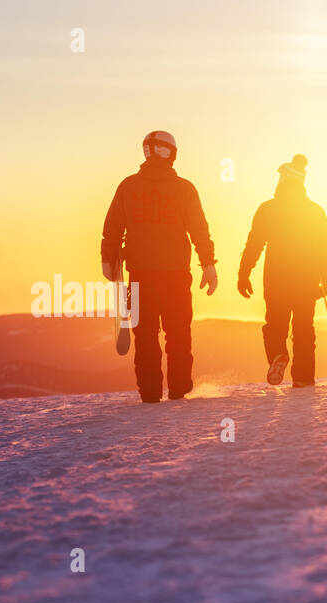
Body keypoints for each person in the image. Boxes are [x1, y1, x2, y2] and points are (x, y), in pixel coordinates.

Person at [101, 130, 217, 402]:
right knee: (178, 333)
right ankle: (178, 388)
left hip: (141, 274)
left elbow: (112, 230)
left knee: (145, 337)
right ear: (171, 153)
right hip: (176, 275)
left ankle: (150, 393)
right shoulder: (184, 188)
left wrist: (108, 260)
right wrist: (208, 264)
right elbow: (199, 230)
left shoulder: (128, 186)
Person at [238, 155, 327, 388]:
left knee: (275, 325)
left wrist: (244, 274)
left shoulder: (268, 209)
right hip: (307, 280)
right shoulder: (315, 211)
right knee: (304, 330)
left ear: (284, 180)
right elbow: (324, 248)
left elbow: (254, 244)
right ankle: (303, 378)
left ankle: (278, 355)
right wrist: (326, 280)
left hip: (276, 280)